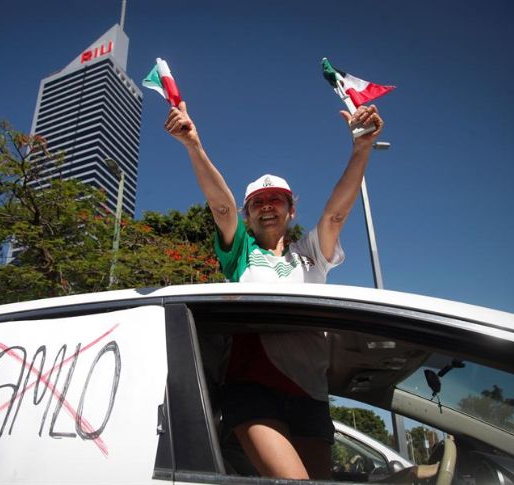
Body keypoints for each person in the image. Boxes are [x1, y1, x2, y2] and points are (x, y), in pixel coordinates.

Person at [164, 101, 384, 480]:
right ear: (248, 215)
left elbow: (335, 215)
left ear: (290, 210)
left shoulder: (311, 255)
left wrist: (361, 149)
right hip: (252, 389)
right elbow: (220, 207)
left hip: (311, 393)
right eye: (257, 203)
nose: (267, 207)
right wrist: (193, 145)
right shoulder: (241, 254)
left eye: (275, 200)